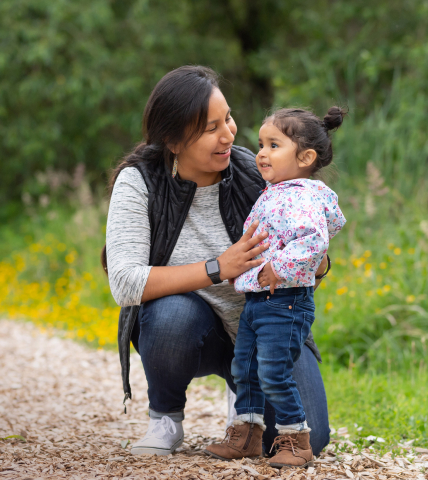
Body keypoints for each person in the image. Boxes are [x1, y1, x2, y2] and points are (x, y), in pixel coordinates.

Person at [103, 66, 331, 457]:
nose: (228, 134)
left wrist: (315, 261)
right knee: (172, 314)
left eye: (227, 118)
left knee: (311, 437)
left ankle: (242, 399)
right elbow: (125, 282)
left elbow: (312, 262)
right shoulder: (139, 182)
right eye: (211, 128)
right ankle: (165, 419)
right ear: (173, 140)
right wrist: (218, 268)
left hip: (267, 326)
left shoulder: (257, 171)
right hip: (191, 328)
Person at [205, 107, 346, 467]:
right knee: (245, 368)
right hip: (258, 301)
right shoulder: (277, 191)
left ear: (305, 157)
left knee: (273, 370)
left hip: (285, 302)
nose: (261, 153)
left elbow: (313, 242)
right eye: (261, 144)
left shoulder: (303, 196)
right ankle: (247, 434)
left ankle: (295, 438)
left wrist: (278, 267)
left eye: (273, 145)